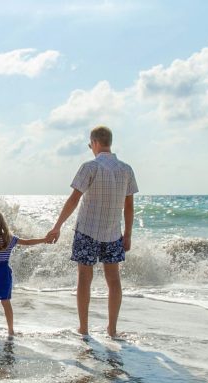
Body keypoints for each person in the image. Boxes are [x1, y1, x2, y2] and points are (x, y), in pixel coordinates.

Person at [46, 126, 138, 337]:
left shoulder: (90, 167)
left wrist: (57, 226)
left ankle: (84, 328)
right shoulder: (126, 169)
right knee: (114, 280)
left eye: (90, 145)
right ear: (109, 142)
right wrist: (129, 234)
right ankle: (112, 329)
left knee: (84, 279)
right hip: (113, 233)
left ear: (95, 143)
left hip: (87, 230)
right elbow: (130, 207)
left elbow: (73, 200)